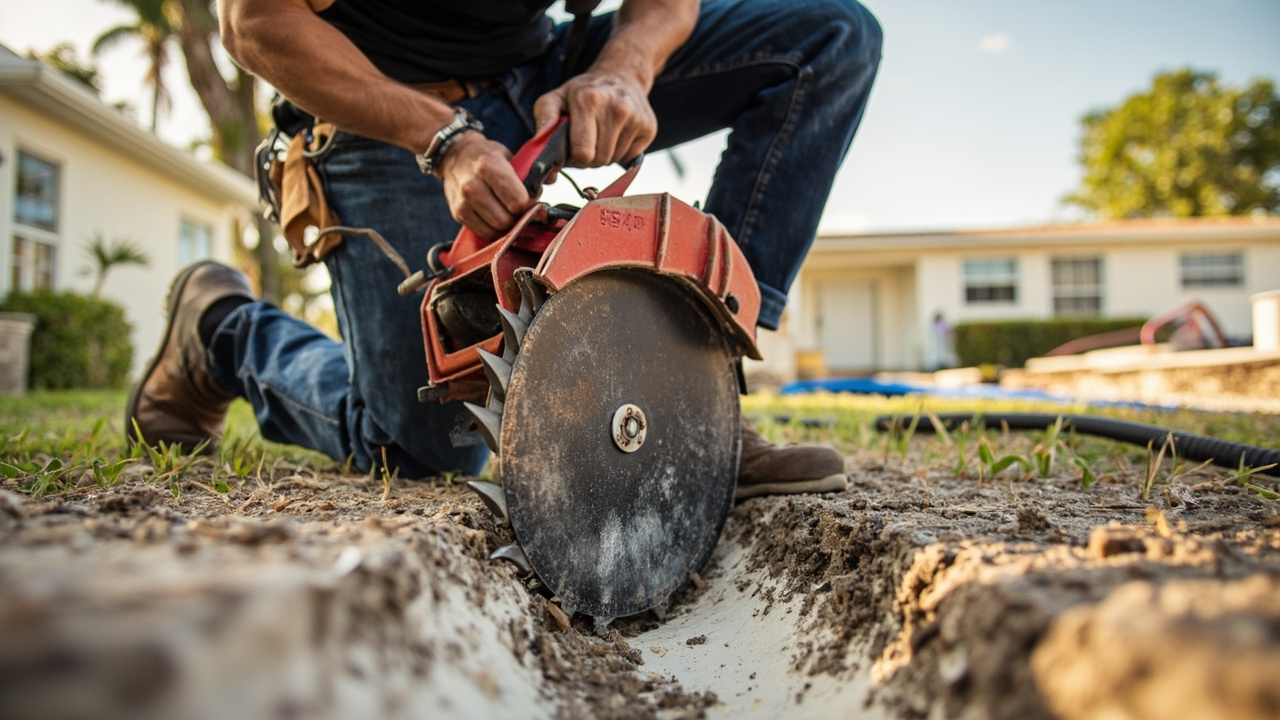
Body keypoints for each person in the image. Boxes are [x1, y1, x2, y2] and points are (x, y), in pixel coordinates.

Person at [126, 0, 882, 499]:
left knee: (830, 39)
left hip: (537, 68)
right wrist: (442, 139)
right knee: (425, 447)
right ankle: (220, 331)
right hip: (376, 97)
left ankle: (696, 390)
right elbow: (255, 21)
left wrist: (626, 65)